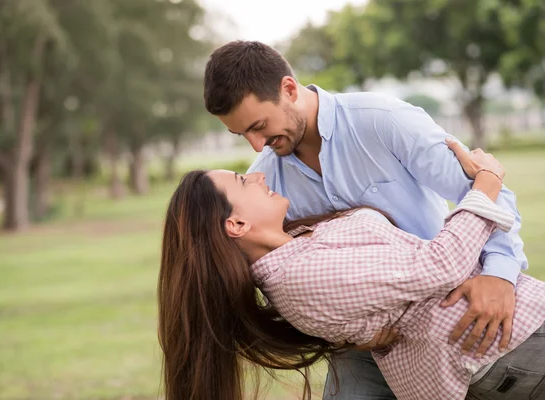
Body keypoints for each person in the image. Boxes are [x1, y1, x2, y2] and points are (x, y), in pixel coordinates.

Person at [202, 40, 528, 399]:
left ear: (289, 89)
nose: (255, 145)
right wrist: (330, 330)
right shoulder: (265, 184)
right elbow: (268, 273)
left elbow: (484, 186)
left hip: (448, 311)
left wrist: (499, 272)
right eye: (241, 134)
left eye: (259, 126)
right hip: (366, 346)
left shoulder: (381, 120)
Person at [157, 143, 545, 400]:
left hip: (508, 334)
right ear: (236, 226)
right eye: (244, 181)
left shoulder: (301, 243)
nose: (259, 175)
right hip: (509, 342)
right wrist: (486, 184)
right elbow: (439, 266)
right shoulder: (300, 276)